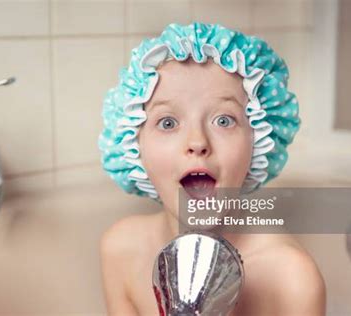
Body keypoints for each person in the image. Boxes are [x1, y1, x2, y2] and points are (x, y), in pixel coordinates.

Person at [98, 23, 326, 315]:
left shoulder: (291, 278)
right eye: (167, 123)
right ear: (133, 144)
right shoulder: (121, 250)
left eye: (223, 120)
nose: (197, 142)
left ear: (257, 139)